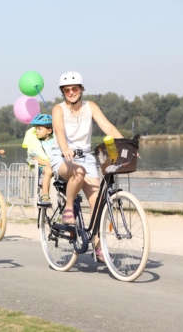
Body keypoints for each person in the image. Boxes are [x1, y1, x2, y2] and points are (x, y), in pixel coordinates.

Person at [51, 71, 123, 263]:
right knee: (78, 172)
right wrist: (65, 148)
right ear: (63, 92)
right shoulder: (58, 109)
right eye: (67, 90)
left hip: (85, 157)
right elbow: (58, 130)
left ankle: (99, 247)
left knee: (98, 202)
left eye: (75, 88)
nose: (71, 92)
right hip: (63, 156)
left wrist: (126, 145)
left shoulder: (90, 106)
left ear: (81, 89)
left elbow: (106, 126)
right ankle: (68, 209)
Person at [22, 113, 54, 206]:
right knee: (49, 170)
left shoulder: (55, 142)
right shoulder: (35, 143)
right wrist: (48, 164)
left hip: (55, 165)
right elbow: (35, 158)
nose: (36, 131)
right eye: (36, 129)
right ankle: (44, 195)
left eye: (39, 129)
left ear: (49, 131)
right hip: (41, 167)